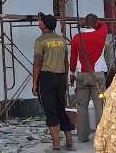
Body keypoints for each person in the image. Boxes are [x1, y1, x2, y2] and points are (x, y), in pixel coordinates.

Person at [33, 12, 75, 151]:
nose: (39, 22)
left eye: (41, 21)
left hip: (47, 78)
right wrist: (65, 77)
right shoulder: (61, 40)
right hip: (60, 77)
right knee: (61, 109)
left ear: (45, 25)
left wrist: (34, 84)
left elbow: (37, 64)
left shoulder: (40, 41)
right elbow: (66, 62)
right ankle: (69, 141)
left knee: (51, 111)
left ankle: (56, 145)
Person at [69, 14, 108, 142]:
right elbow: (103, 25)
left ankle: (82, 136)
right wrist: (92, 24)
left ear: (85, 23)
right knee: (99, 105)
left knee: (82, 106)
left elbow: (73, 58)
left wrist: (72, 73)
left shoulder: (76, 37)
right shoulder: (101, 34)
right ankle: (101, 136)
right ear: (96, 23)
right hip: (97, 75)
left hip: (81, 75)